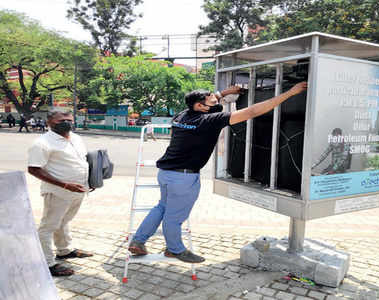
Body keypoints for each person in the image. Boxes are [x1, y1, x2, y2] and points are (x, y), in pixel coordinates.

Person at [128, 82, 308, 263]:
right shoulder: (208, 121)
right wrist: (289, 94)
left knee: (161, 208)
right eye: (211, 101)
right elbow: (252, 112)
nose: (215, 102)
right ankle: (175, 249)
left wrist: (225, 93)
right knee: (174, 216)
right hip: (184, 178)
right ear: (200, 106)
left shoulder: (181, 116)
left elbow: (210, 100)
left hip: (166, 174)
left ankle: (138, 240)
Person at [28, 108, 93, 277]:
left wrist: (91, 180)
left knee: (64, 221)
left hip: (78, 189)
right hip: (58, 192)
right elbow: (34, 169)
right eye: (61, 120)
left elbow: (82, 161)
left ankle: (64, 250)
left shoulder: (77, 138)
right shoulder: (42, 143)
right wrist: (64, 185)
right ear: (49, 122)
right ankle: (47, 264)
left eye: (69, 120)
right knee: (48, 226)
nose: (67, 123)